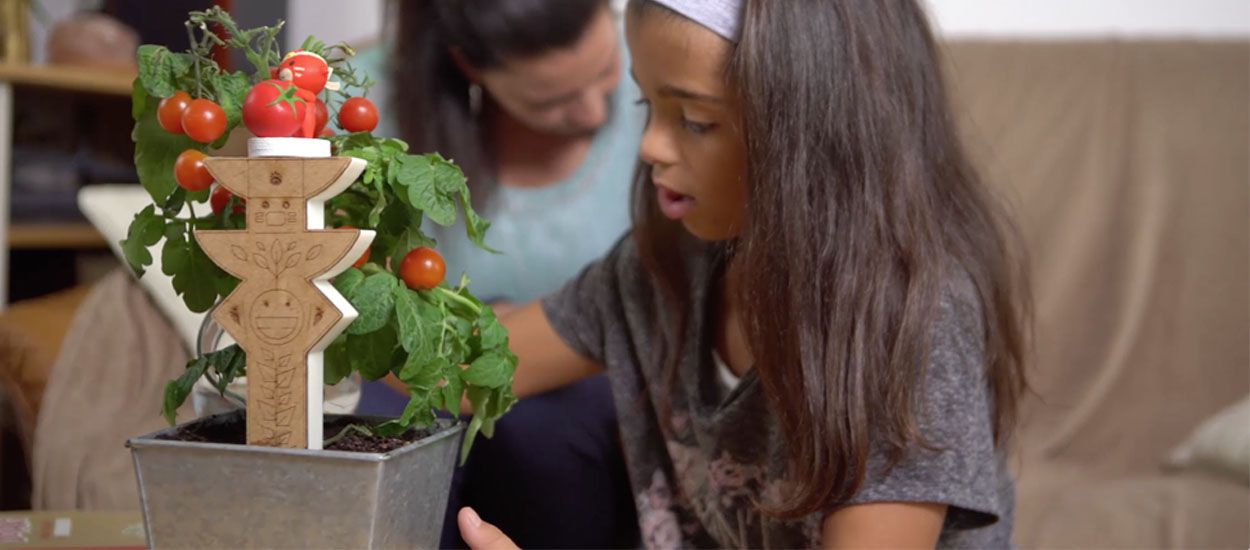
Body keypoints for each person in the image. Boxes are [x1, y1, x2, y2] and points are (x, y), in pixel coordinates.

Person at [457, 0, 1031, 548]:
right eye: (645, 106)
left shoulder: (914, 324)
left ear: (818, 131)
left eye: (697, 121)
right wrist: (368, 263)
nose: (650, 146)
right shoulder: (661, 266)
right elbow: (460, 372)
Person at [351, 1, 645, 547]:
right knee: (387, 428)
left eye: (606, 70)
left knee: (546, 433)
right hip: (419, 376)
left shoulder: (659, 82)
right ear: (469, 67)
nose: (593, 111)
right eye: (549, 100)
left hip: (575, 392)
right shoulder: (364, 104)